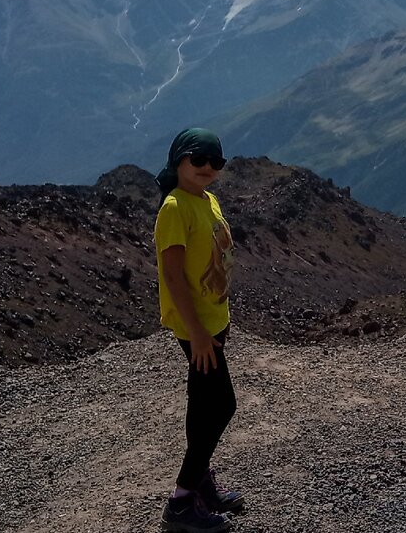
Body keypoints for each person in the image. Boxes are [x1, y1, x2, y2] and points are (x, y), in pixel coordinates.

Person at [154, 127, 244, 533]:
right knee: (222, 405)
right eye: (199, 159)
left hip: (213, 321)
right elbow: (172, 277)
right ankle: (181, 501)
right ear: (179, 161)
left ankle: (202, 482)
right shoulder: (174, 208)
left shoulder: (208, 199)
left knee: (202, 405)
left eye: (216, 161)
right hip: (198, 330)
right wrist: (199, 334)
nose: (208, 167)